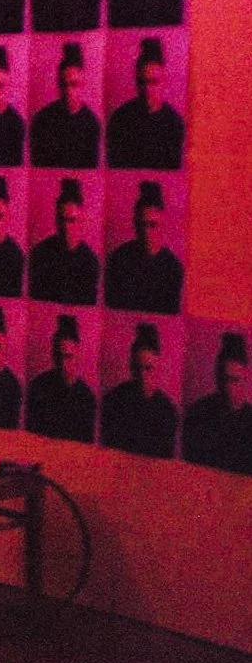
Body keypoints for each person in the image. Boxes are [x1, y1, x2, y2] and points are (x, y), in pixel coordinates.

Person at [104, 180, 184, 314]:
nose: (146, 232)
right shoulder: (118, 259)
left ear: (162, 225)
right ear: (135, 224)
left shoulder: (173, 268)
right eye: (142, 225)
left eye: (152, 225)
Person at [106, 37, 184, 170]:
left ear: (164, 81)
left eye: (154, 82)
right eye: (142, 82)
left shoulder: (175, 124)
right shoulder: (119, 119)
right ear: (136, 81)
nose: (148, 89)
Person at [100, 321, 176, 458]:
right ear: (131, 366)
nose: (142, 375)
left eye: (148, 368)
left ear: (158, 368)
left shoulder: (167, 411)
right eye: (137, 368)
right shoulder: (113, 401)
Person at [182, 333, 251, 474]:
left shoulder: (197, 412)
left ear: (245, 379)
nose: (229, 387)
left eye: (235, 380)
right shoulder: (198, 415)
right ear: (217, 376)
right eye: (225, 379)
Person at [28, 177, 99, 306]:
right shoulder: (39, 254)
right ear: (56, 219)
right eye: (62, 219)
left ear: (81, 220)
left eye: (71, 220)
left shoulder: (90, 262)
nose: (66, 227)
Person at [29, 42, 100, 169]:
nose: (68, 91)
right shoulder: (41, 120)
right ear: (58, 83)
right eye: (64, 84)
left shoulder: (91, 123)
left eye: (74, 84)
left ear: (83, 83)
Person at [25, 314, 95, 443]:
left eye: (68, 357)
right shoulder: (37, 387)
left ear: (78, 355)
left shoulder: (86, 398)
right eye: (59, 356)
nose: (63, 364)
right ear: (53, 355)